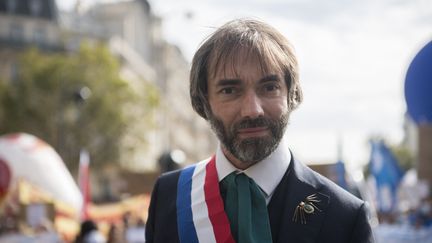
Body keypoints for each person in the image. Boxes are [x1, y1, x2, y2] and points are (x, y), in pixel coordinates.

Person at [145, 18, 374, 243]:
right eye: (229, 90)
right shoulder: (169, 196)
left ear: (291, 94)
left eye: (269, 87)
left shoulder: (344, 216)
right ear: (203, 102)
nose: (252, 110)